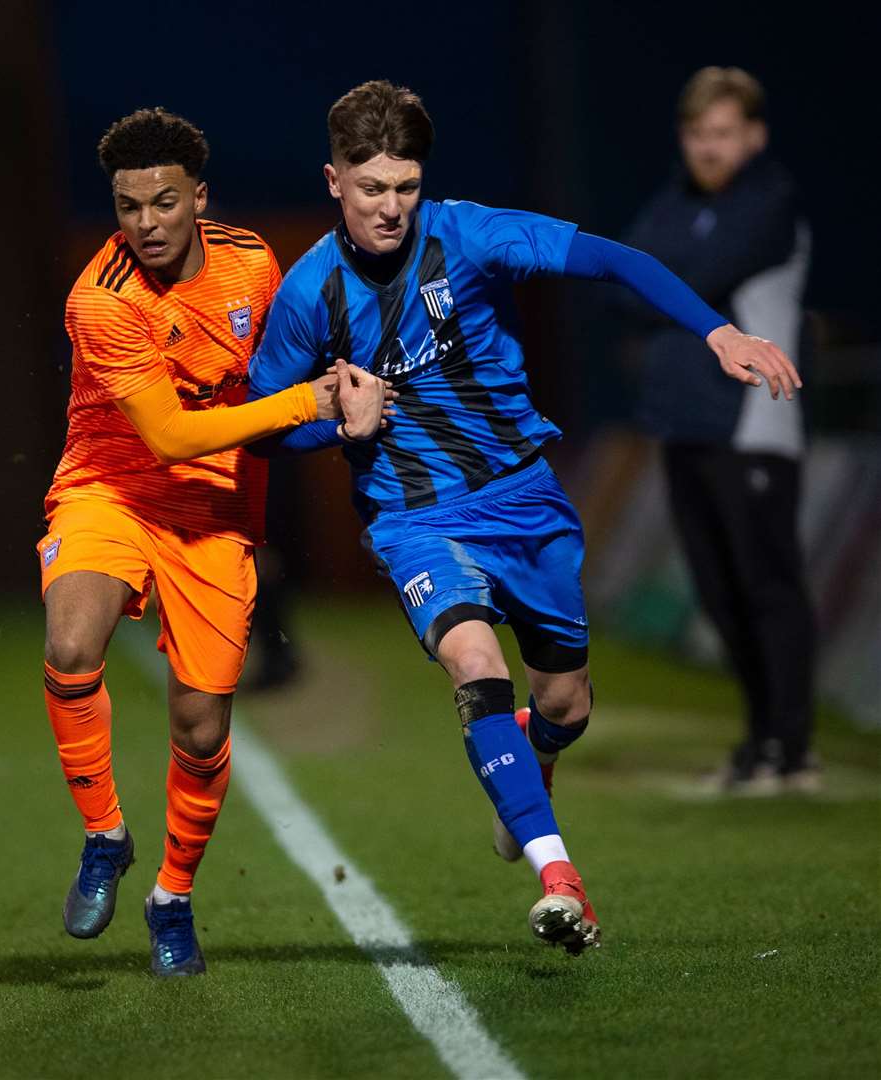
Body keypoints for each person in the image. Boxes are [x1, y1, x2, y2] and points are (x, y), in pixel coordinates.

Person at [247, 80, 801, 955]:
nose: (391, 208)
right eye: (371, 189)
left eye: (406, 187)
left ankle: (535, 766)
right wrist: (324, 418)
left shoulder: (470, 232)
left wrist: (715, 332)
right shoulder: (308, 294)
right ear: (333, 181)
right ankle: (558, 875)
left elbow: (614, 259)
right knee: (474, 662)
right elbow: (260, 428)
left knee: (565, 702)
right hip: (413, 516)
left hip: (523, 498)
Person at [38, 107, 388, 977]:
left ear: (199, 196)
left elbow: (274, 382)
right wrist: (312, 403)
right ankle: (104, 836)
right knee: (72, 642)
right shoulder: (101, 299)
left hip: (214, 517)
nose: (145, 225)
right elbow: (172, 438)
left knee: (199, 728)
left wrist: (343, 405)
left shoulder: (252, 261)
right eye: (127, 207)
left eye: (162, 203)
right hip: (109, 490)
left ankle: (173, 898)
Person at [618, 67, 818, 795]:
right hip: (684, 423)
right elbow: (631, 282)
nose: (709, 148)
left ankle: (790, 747)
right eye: (699, 134)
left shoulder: (771, 201)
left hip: (754, 423)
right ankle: (759, 736)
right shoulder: (672, 202)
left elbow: (688, 274)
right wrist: (662, 282)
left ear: (754, 137)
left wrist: (663, 282)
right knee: (718, 589)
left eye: (725, 133)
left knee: (769, 586)